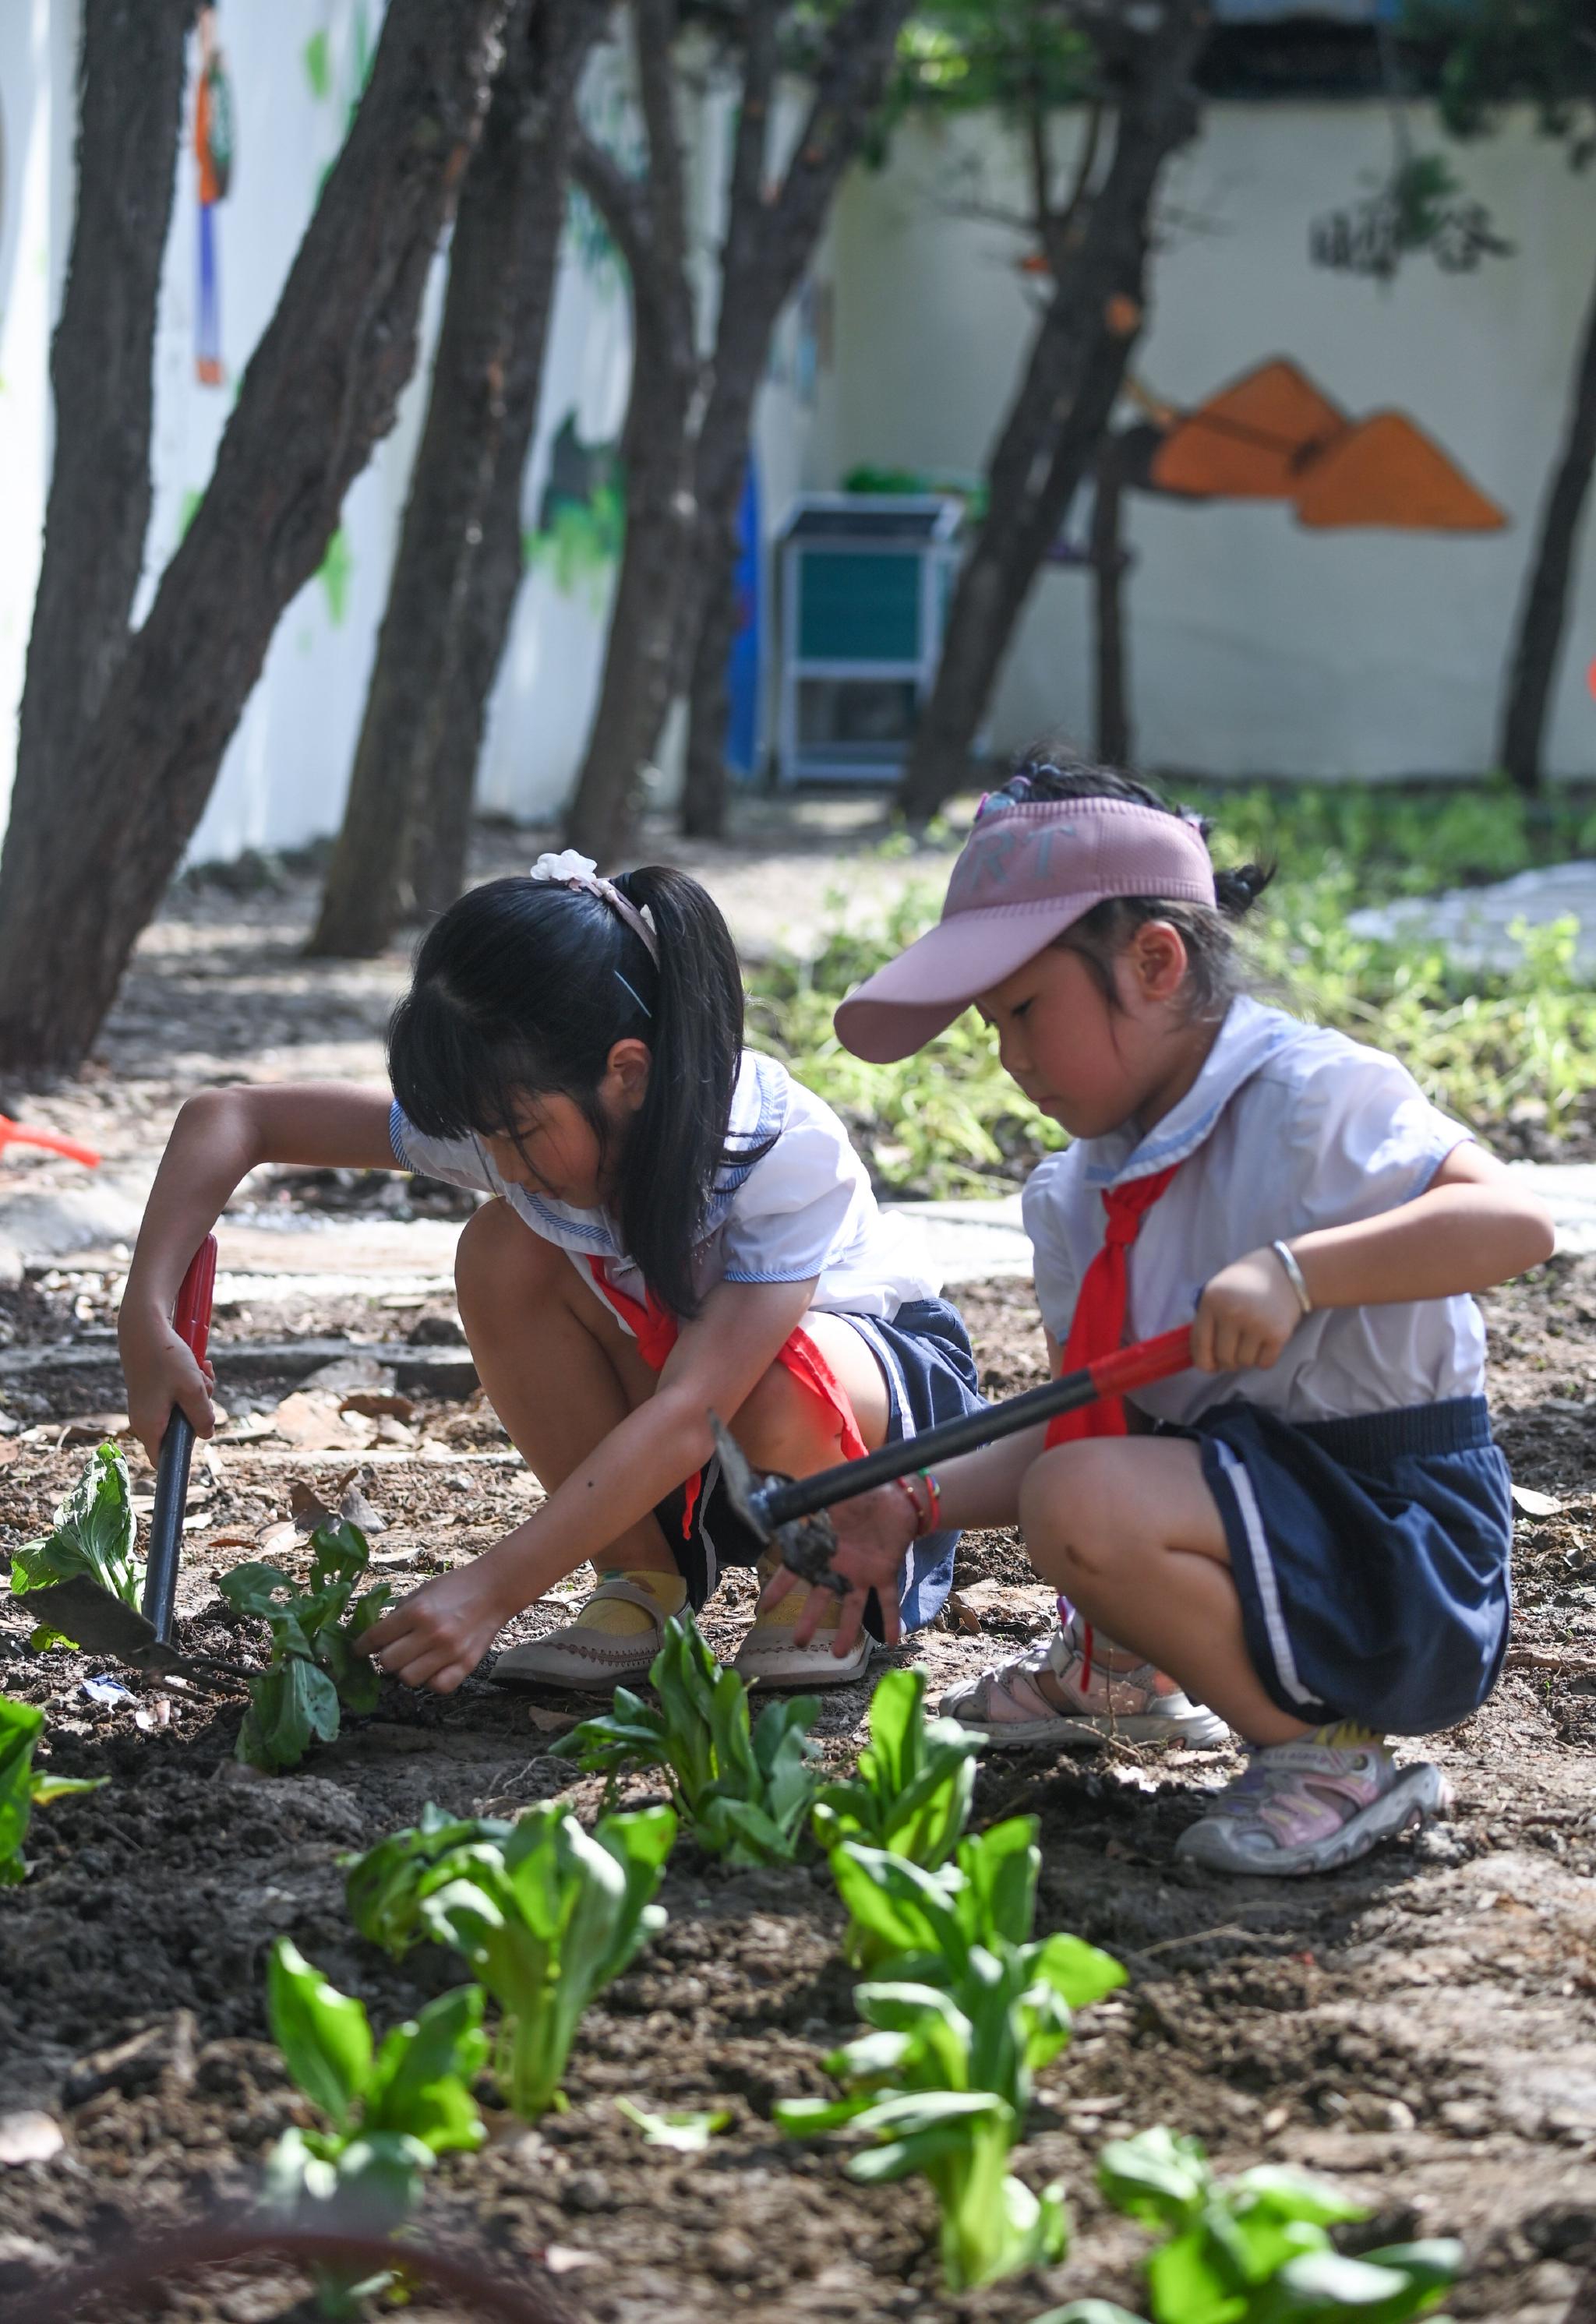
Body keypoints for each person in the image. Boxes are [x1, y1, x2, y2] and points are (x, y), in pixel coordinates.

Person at [762, 756, 1554, 1877]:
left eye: (1028, 1009)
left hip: (1401, 1542)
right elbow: (1093, 1430)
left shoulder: (1311, 1099)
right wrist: (913, 1501)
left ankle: (1329, 1760)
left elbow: (1514, 1222)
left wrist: (1300, 1271)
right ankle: (1127, 1667)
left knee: (1083, 1491)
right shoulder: (1078, 1194)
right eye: (992, 1025)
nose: (1012, 1057)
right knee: (1079, 1484)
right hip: (1261, 1518)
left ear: (1154, 960)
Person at [119, 855, 983, 1695]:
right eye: (484, 1137)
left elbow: (695, 1408)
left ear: (627, 1073)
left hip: (861, 1426)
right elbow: (230, 1118)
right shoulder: (521, 1113)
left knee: (773, 1378)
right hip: (694, 1436)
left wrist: (492, 1589)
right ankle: (641, 1584)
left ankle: (819, 1576)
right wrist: (146, 1311)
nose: (500, 1161)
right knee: (502, 1247)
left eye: (516, 1135)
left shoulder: (772, 1149)